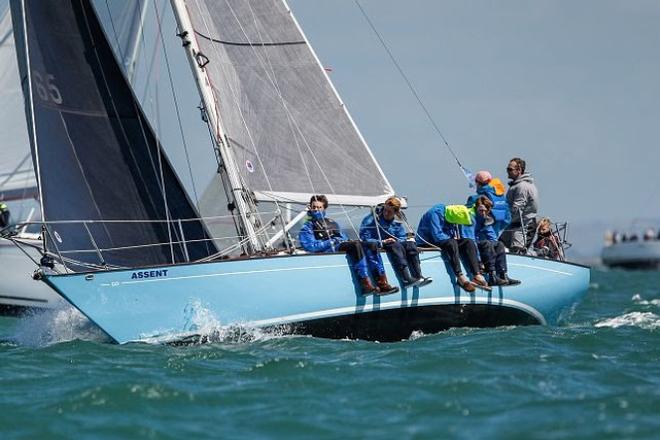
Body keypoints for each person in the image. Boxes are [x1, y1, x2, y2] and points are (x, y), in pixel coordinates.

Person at [298, 195, 398, 295]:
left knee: (370, 244)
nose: (316, 210)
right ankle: (365, 284)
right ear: (310, 207)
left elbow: (343, 237)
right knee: (355, 246)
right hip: (327, 250)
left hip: (338, 245)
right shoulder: (307, 226)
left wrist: (342, 240)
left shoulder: (332, 222)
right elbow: (310, 246)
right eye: (314, 207)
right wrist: (331, 241)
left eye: (319, 207)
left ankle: (382, 283)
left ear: (324, 208)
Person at [359, 196, 432, 288]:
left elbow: (401, 237)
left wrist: (397, 240)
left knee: (411, 245)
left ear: (396, 212)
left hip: (394, 243)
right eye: (385, 210)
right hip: (379, 244)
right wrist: (382, 241)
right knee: (395, 245)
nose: (386, 213)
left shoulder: (397, 221)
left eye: (390, 212)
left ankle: (419, 276)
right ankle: (406, 279)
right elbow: (364, 238)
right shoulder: (371, 220)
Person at [416, 203, 488, 292]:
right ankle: (460, 276)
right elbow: (437, 235)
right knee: (452, 242)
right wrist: (452, 240)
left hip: (445, 240)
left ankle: (476, 274)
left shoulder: (453, 214)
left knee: (468, 242)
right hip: (428, 241)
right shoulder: (434, 214)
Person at [471, 196, 520, 285]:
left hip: (482, 245)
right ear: (476, 208)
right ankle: (491, 275)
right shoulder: (471, 219)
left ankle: (503, 274)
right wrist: (478, 260)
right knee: (487, 243)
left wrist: (496, 247)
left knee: (499, 244)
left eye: (485, 211)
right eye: (480, 210)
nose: (483, 213)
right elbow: (471, 240)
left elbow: (492, 237)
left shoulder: (486, 220)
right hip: (473, 244)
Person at [500, 157, 539, 254]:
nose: (507, 172)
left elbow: (517, 208)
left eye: (510, 169)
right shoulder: (516, 185)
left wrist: (501, 219)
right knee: (499, 245)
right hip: (513, 224)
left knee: (517, 252)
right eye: (507, 169)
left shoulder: (522, 186)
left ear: (519, 170)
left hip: (523, 225)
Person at [466, 170, 511, 237]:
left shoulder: (474, 199)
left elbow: (465, 216)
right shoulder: (502, 198)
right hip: (494, 237)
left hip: (479, 237)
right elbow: (507, 219)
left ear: (477, 183)